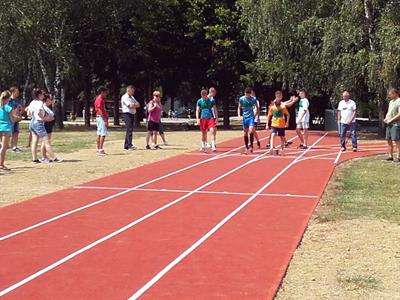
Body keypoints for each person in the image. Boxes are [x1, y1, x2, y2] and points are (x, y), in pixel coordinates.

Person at [28, 88, 62, 163]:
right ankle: (54, 157)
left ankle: (35, 158)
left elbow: (28, 113)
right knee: (46, 141)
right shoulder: (40, 103)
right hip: (38, 123)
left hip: (32, 123)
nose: (44, 95)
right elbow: (39, 111)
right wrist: (44, 118)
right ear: (39, 95)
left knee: (34, 141)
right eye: (42, 94)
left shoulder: (32, 102)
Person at [0, 90, 21, 171]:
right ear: (8, 98)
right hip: (6, 128)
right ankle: (1, 164)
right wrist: (19, 118)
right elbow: (12, 119)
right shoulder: (8, 108)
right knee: (4, 147)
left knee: (2, 146)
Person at [238, 87, 259, 154]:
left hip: (251, 117)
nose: (247, 95)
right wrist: (239, 116)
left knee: (251, 130)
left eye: (249, 94)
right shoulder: (242, 99)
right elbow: (239, 107)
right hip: (245, 117)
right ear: (245, 93)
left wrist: (255, 115)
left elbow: (257, 107)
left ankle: (251, 146)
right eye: (246, 94)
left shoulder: (253, 99)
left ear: (250, 94)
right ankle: (246, 146)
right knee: (245, 133)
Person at [121, 85, 140, 151]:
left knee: (129, 129)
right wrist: (134, 105)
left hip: (132, 114)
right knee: (129, 129)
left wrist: (134, 105)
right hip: (127, 114)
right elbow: (130, 106)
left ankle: (126, 145)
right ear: (128, 90)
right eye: (132, 91)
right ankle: (129, 145)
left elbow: (138, 104)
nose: (133, 93)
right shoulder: (125, 97)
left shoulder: (132, 97)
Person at [384, 88, 400, 162]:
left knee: (396, 140)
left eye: (390, 94)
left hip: (395, 124)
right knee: (388, 139)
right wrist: (386, 118)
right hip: (389, 124)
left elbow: (399, 114)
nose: (389, 96)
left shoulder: (399, 101)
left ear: (395, 93)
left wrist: (391, 120)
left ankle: (398, 156)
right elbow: (389, 112)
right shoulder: (391, 102)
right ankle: (390, 156)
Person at [41, 94, 56, 163]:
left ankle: (45, 156)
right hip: (46, 125)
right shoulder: (43, 107)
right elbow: (43, 117)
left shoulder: (47, 107)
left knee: (47, 141)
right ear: (47, 100)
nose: (52, 101)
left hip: (49, 125)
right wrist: (50, 119)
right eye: (51, 99)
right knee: (45, 141)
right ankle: (43, 156)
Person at [94, 86, 109, 156]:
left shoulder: (98, 99)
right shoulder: (100, 99)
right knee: (103, 134)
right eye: (105, 93)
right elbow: (100, 110)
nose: (106, 95)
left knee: (99, 133)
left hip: (98, 117)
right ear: (102, 92)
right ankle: (100, 149)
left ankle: (98, 149)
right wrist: (105, 119)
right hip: (101, 118)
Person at [8, 86, 23, 152]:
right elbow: (8, 110)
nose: (18, 93)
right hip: (11, 119)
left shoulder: (17, 100)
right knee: (10, 133)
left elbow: (19, 109)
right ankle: (7, 146)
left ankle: (14, 147)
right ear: (12, 92)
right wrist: (13, 117)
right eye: (17, 92)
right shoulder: (9, 100)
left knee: (16, 132)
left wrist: (20, 115)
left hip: (16, 119)